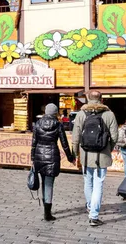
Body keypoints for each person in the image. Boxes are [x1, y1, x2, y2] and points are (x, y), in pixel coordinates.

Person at [71, 91, 118, 226]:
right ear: (101, 99)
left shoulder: (81, 114)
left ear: (88, 99)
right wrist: (109, 148)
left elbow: (76, 137)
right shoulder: (109, 114)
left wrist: (75, 154)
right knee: (99, 184)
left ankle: (90, 206)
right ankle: (94, 215)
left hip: (86, 155)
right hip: (102, 155)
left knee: (88, 182)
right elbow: (115, 136)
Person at [31, 103, 75, 221]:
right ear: (55, 113)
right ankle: (47, 213)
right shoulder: (58, 125)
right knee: (49, 184)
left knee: (43, 181)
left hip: (39, 157)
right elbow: (64, 143)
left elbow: (34, 142)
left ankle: (46, 210)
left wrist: (32, 158)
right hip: (52, 157)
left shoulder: (38, 124)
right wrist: (70, 158)